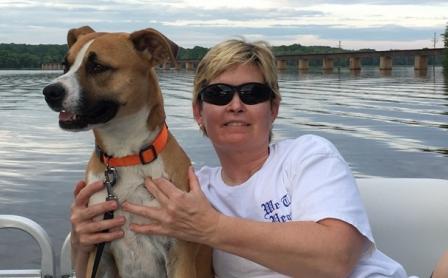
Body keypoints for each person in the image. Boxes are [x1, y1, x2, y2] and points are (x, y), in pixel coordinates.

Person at [71, 39, 408, 277]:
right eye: (218, 94)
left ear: (273, 109)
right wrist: (84, 244)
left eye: (252, 93)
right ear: (198, 113)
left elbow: (335, 261)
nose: (236, 105)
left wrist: (211, 227)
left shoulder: (307, 156)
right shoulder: (187, 191)